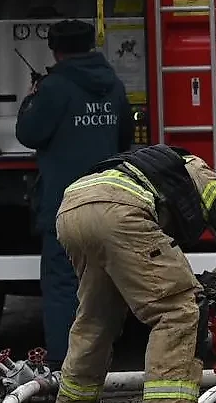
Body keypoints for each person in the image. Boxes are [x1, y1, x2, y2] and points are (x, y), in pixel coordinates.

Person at [53, 144, 216, 403]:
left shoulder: (142, 167)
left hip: (72, 209)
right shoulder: (196, 169)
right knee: (179, 309)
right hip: (121, 213)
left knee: (98, 315)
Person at [16, 19, 134, 372]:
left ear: (55, 51)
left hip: (65, 204)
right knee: (103, 282)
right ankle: (101, 356)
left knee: (63, 283)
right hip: (110, 198)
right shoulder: (113, 85)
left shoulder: (54, 88)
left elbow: (29, 133)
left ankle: (64, 364)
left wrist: (31, 99)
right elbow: (125, 139)